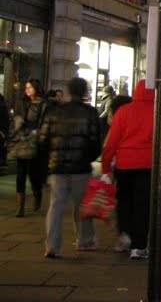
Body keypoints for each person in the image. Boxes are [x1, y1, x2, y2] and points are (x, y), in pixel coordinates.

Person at [37, 77, 101, 258]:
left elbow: (42, 140)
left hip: (57, 167)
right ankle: (84, 240)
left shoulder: (54, 112)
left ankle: (52, 246)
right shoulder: (89, 113)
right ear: (84, 92)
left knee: (56, 206)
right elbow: (95, 141)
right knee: (82, 205)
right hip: (81, 167)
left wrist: (52, 156)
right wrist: (88, 158)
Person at [102, 79, 154, 260]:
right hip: (148, 165)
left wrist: (105, 166)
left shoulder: (124, 111)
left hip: (124, 165)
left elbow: (111, 142)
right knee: (143, 206)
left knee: (124, 202)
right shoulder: (158, 111)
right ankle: (139, 246)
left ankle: (125, 233)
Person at [11, 78, 48, 217]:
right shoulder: (23, 102)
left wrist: (37, 133)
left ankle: (37, 193)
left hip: (35, 141)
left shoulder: (43, 104)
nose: (27, 90)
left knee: (33, 174)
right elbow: (17, 117)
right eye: (26, 87)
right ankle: (20, 206)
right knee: (20, 173)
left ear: (36, 88)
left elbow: (44, 122)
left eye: (30, 87)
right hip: (23, 140)